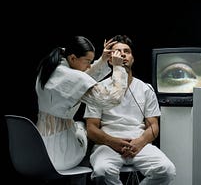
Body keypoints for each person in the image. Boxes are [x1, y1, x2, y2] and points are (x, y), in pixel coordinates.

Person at [84, 35, 176, 185]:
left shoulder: (146, 89)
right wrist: (113, 142)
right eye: (117, 52)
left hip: (138, 145)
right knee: (102, 172)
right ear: (109, 59)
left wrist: (139, 143)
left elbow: (153, 126)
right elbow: (91, 128)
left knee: (166, 170)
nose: (122, 54)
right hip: (107, 145)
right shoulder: (98, 89)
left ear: (132, 58)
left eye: (126, 51)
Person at [35, 35, 128, 171]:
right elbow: (112, 99)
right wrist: (118, 68)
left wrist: (102, 60)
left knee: (79, 127)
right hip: (60, 155)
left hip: (37, 150)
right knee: (83, 129)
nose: (89, 65)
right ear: (73, 58)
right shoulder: (72, 77)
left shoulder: (51, 66)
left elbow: (80, 79)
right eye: (88, 61)